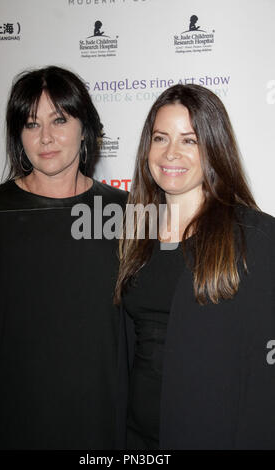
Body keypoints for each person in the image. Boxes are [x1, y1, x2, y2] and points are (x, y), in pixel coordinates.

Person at [114, 84, 275, 450]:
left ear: (214, 148)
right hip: (136, 438)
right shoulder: (133, 233)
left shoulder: (256, 237)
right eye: (160, 138)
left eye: (189, 140)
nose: (171, 153)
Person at [0, 65, 127, 449]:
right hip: (13, 424)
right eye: (31, 124)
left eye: (59, 119)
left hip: (107, 424)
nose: (46, 137)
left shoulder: (126, 210)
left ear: (86, 126)